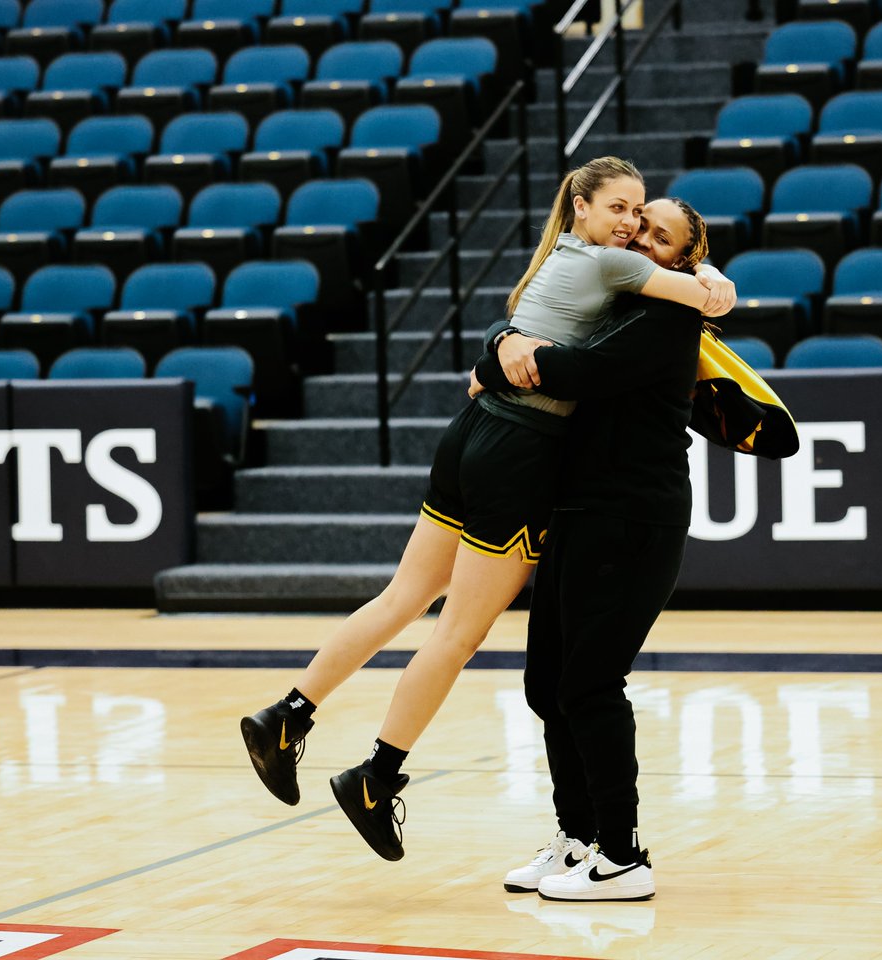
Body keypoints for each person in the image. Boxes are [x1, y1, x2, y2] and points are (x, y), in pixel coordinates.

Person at [239, 158, 738, 863]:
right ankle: (377, 777)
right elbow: (710, 302)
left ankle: (287, 716)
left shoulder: (558, 259)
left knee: (405, 596)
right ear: (581, 206)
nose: (630, 226)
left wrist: (497, 352)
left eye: (642, 218)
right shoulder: (616, 268)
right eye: (623, 210)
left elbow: (516, 332)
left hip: (471, 435)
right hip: (519, 450)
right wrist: (711, 279)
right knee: (457, 635)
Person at [467, 197, 713, 902]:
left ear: (684, 261)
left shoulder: (671, 317)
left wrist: (509, 350)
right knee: (545, 687)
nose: (640, 236)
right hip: (574, 515)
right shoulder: (609, 294)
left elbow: (572, 372)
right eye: (640, 223)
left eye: (661, 237)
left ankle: (624, 855)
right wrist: (503, 342)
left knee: (590, 686)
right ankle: (574, 840)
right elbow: (523, 328)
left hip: (634, 519)